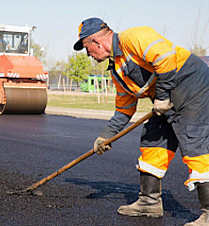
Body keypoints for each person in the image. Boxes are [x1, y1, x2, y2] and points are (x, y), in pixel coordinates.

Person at [73, 17, 209, 225]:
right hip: (167, 100)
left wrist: (162, 97)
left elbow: (165, 57)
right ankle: (149, 202)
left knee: (194, 144)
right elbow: (124, 109)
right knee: (153, 139)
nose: (89, 55)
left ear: (97, 42)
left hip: (194, 88)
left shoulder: (133, 37)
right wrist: (106, 136)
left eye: (87, 48)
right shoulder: (118, 70)